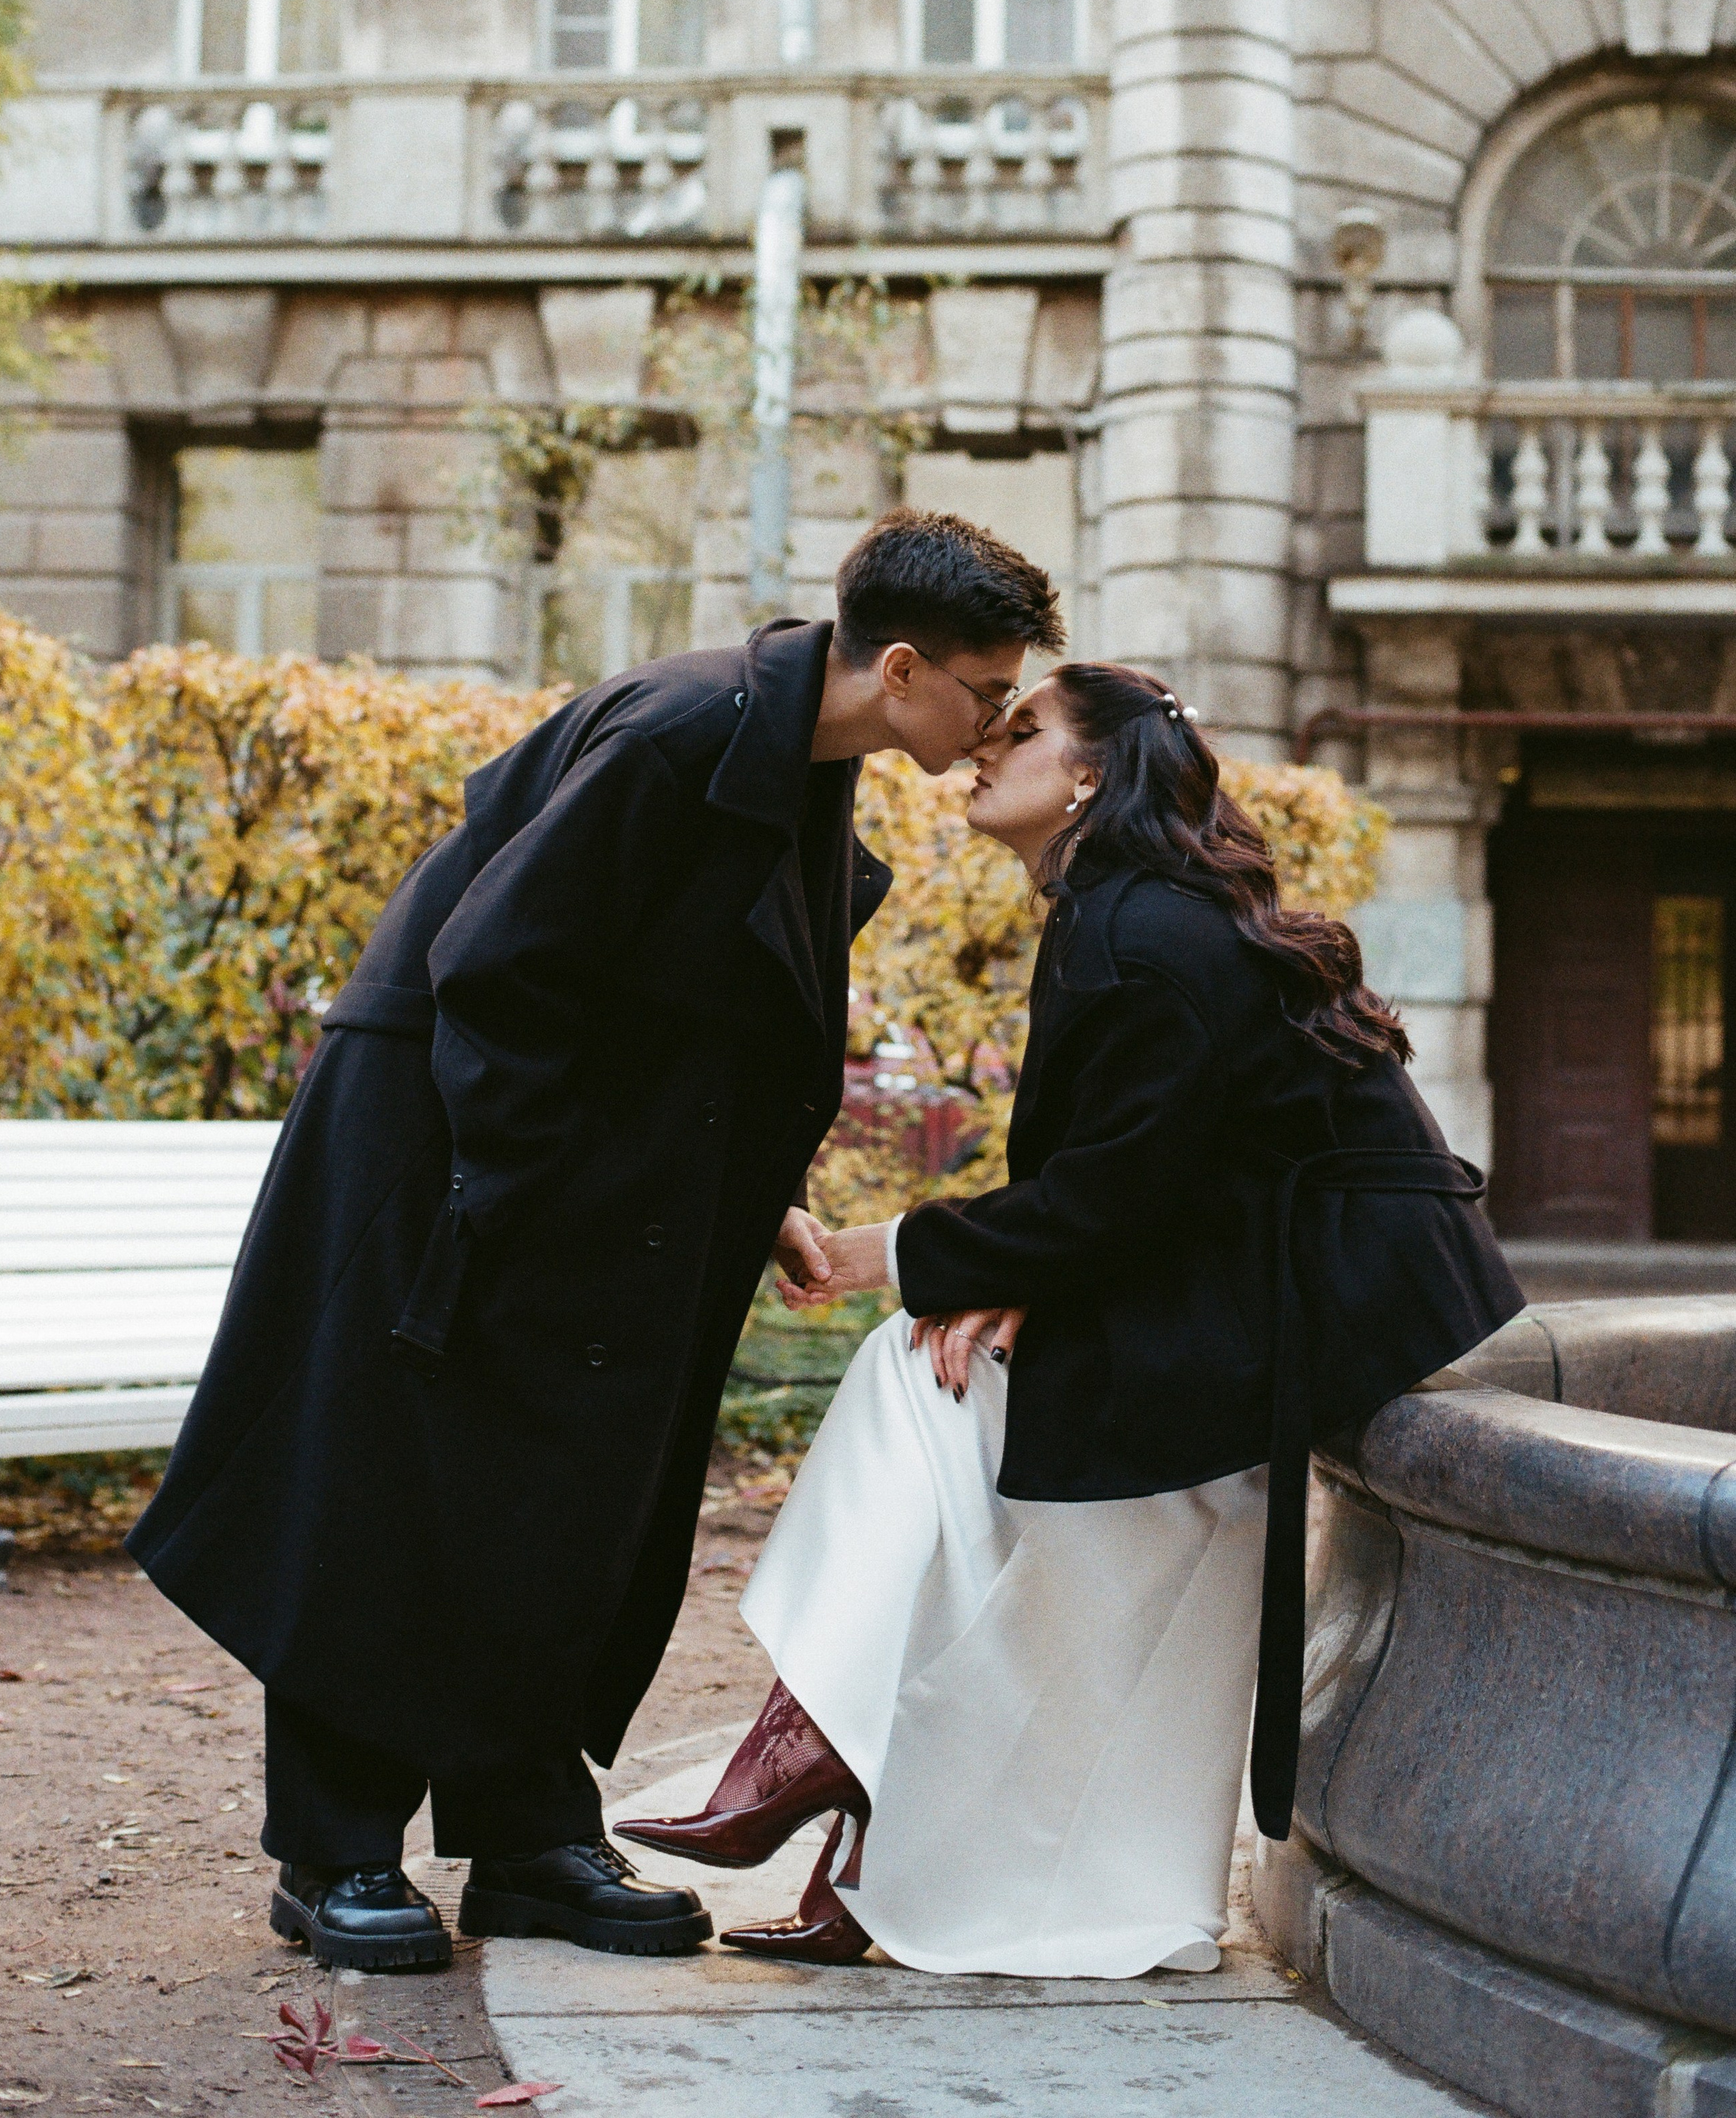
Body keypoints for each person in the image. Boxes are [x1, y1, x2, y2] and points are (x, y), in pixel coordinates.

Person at [128, 510, 1064, 1973]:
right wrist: (507, 1202)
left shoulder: (799, 758)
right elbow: (495, 971)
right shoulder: (687, 732)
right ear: (897, 668)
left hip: (592, 1170)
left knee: (571, 1488)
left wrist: (748, 1188)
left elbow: (691, 1001)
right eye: (985, 690)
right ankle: (333, 1852)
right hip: (447, 1145)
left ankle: (524, 1838)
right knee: (392, 1476)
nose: (996, 719)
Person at [620, 663, 1524, 1973]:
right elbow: (1142, 1173)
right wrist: (1007, 1268)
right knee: (938, 1428)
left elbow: (1112, 1194)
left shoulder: (1140, 929)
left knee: (911, 1378)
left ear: (1093, 775)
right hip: (1265, 1278)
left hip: (1304, 1303)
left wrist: (899, 1252)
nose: (986, 747)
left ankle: (816, 1753)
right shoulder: (1141, 909)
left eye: (1023, 727)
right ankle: (841, 1804)